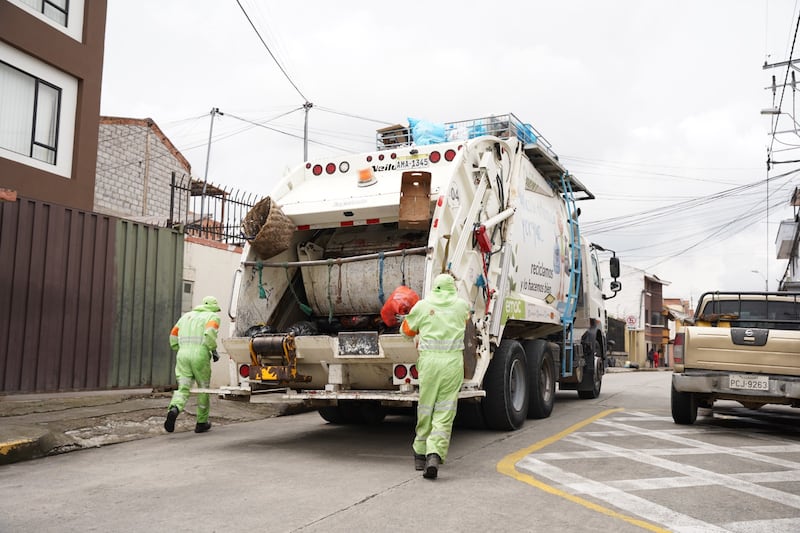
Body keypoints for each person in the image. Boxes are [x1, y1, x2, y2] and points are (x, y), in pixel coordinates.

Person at [401, 273, 470, 480]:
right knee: (444, 410)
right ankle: (434, 454)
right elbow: (466, 322)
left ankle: (419, 455)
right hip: (452, 364)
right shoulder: (461, 306)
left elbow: (407, 331)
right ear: (452, 288)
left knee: (426, 406)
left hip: (429, 364)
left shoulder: (422, 305)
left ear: (435, 287)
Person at [164, 295, 221, 434]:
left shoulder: (186, 316)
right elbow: (210, 333)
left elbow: (173, 335)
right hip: (200, 355)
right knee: (203, 388)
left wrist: (179, 347)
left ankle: (174, 409)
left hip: (182, 355)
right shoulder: (212, 316)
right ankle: (201, 423)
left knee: (183, 388)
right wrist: (213, 350)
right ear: (214, 307)